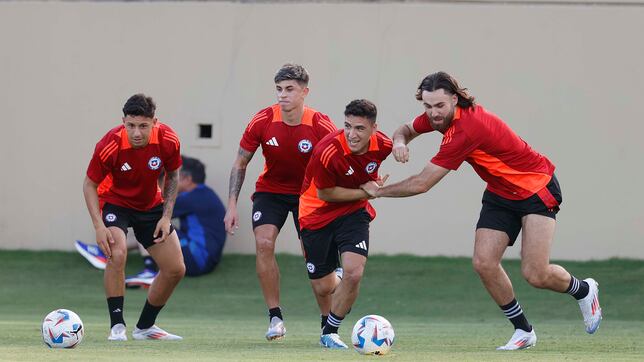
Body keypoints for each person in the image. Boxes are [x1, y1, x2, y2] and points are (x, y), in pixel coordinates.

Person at [361, 72, 602, 350]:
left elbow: (423, 183)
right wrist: (401, 143)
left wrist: (378, 191)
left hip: (536, 187)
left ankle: (584, 290)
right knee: (484, 263)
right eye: (427, 107)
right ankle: (524, 331)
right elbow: (405, 129)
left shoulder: (467, 129)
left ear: (455, 98)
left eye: (439, 106)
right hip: (500, 192)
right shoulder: (439, 116)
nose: (433, 114)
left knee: (536, 274)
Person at [224, 63, 338, 341]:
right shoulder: (262, 120)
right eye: (278, 89)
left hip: (308, 196)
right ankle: (275, 317)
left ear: (304, 92)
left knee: (314, 259)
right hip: (271, 191)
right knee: (263, 243)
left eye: (289, 89)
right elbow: (241, 161)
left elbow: (339, 162)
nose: (282, 95)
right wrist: (231, 205)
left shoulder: (320, 124)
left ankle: (327, 323)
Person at [83, 93, 185, 341]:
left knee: (175, 269)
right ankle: (117, 326)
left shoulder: (168, 139)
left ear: (155, 122)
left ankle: (145, 328)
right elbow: (89, 184)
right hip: (115, 203)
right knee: (118, 254)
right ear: (123, 122)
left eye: (143, 126)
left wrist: (166, 215)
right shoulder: (110, 144)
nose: (136, 132)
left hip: (150, 206)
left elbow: (173, 176)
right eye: (130, 125)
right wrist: (98, 226)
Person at [299, 99, 392, 349]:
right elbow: (325, 194)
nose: (352, 134)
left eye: (360, 128)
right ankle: (337, 281)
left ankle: (330, 332)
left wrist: (403, 146)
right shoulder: (327, 151)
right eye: (348, 126)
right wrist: (366, 191)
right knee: (323, 287)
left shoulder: (383, 145)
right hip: (316, 215)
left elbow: (407, 133)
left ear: (374, 128)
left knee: (355, 272)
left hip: (353, 213)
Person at [76, 155, 227, 286]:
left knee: (150, 221)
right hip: (204, 259)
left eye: (175, 176)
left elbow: (153, 210)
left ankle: (149, 270)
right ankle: (106, 252)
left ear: (187, 179)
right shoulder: (204, 194)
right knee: (152, 222)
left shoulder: (194, 197)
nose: (170, 180)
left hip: (198, 259)